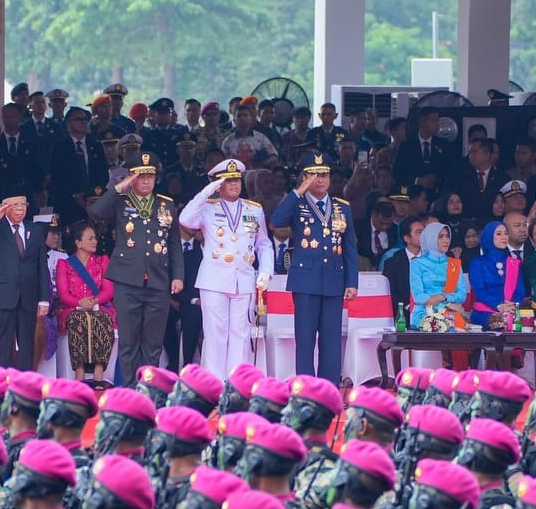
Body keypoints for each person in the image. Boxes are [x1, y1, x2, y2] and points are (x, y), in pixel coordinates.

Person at [88, 151, 182, 382]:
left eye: (150, 175)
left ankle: (149, 391)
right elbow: (97, 212)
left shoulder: (166, 204)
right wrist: (122, 186)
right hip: (127, 281)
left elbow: (174, 244)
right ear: (132, 177)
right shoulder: (120, 202)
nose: (147, 180)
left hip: (158, 280)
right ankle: (129, 393)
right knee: (129, 342)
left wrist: (177, 276)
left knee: (153, 343)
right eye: (141, 176)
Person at [178, 158, 272, 379]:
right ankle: (214, 385)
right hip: (214, 279)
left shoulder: (253, 209)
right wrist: (207, 191)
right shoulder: (207, 208)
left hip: (244, 279)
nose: (233, 184)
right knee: (215, 335)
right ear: (219, 183)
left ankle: (236, 384)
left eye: (236, 180)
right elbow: (185, 219)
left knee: (241, 335)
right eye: (228, 180)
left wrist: (266, 270)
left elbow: (264, 243)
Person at [270, 151, 358, 383]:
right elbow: (276, 221)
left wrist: (352, 282)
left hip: (334, 279)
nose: (320, 179)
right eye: (313, 175)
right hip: (306, 280)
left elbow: (349, 246)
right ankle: (307, 389)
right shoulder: (297, 204)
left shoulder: (342, 207)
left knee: (331, 340)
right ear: (304, 177)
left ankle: (328, 389)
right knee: (305, 340)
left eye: (324, 174)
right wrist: (298, 191)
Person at [0, 188, 50, 369]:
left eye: (23, 204)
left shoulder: (35, 230)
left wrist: (44, 299)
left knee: (27, 345)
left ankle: (24, 386)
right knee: (2, 344)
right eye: (15, 205)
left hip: (28, 295)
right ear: (5, 207)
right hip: (3, 294)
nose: (21, 209)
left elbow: (41, 267)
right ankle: (1, 386)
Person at [55, 220, 116, 387]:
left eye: (95, 238)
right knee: (79, 320)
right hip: (72, 308)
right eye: (90, 238)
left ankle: (99, 372)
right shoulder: (65, 264)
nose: (95, 242)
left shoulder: (103, 261)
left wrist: (94, 301)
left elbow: (109, 291)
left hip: (99, 306)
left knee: (101, 319)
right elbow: (63, 294)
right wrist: (80, 303)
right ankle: (79, 371)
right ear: (78, 243)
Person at [406, 221, 468, 331]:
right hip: (424, 313)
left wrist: (443, 298)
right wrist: (442, 303)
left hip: (450, 311)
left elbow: (462, 294)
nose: (446, 240)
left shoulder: (454, 264)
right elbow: (418, 295)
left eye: (447, 236)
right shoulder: (417, 264)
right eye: (440, 237)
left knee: (460, 330)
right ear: (430, 239)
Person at [467, 220, 524, 328]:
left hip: (511, 311)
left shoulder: (514, 263)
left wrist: (512, 307)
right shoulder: (478, 263)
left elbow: (520, 292)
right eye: (499, 234)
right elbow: (480, 292)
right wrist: (499, 305)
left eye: (506, 233)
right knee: (497, 323)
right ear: (489, 236)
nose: (504, 237)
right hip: (485, 311)